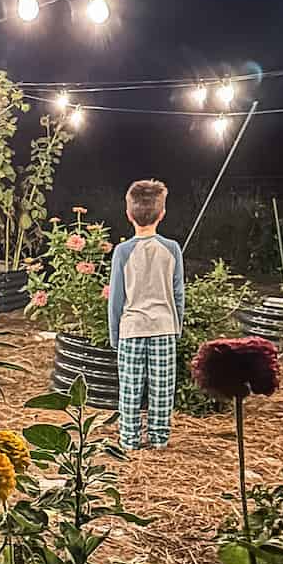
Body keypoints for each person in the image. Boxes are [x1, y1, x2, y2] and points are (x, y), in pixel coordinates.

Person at [107, 179, 184, 451]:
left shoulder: (122, 251)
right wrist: (178, 327)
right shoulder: (172, 249)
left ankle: (129, 441)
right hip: (164, 328)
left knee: (129, 390)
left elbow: (116, 298)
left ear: (128, 214)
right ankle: (159, 440)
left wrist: (114, 335)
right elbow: (178, 293)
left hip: (131, 330)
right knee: (162, 390)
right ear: (162, 214)